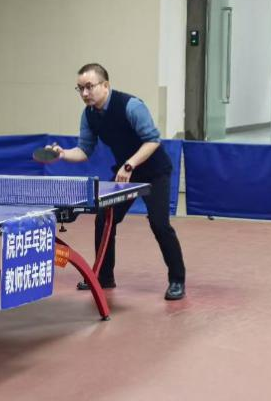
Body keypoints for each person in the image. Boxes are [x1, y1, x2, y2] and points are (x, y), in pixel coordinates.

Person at [45, 63, 186, 301]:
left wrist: (130, 164)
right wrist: (62, 154)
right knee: (104, 218)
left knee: (159, 224)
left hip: (154, 172)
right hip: (126, 174)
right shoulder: (89, 115)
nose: (85, 93)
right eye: (80, 88)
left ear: (105, 85)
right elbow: (84, 150)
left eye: (89, 87)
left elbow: (153, 140)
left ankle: (177, 280)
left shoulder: (132, 106)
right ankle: (103, 276)